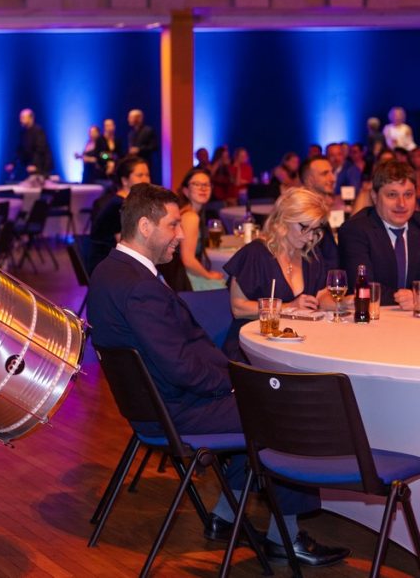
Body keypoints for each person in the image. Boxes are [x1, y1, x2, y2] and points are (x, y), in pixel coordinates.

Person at [87, 183, 349, 568]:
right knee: (286, 414)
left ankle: (225, 514)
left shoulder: (109, 271)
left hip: (152, 405)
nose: (181, 234)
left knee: (263, 404)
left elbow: (176, 359)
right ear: (145, 227)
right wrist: (234, 385)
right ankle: (286, 538)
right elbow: (180, 367)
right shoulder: (139, 286)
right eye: (173, 225)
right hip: (176, 409)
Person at [223, 188, 336, 355]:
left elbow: (321, 296)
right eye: (305, 228)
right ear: (284, 219)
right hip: (254, 347)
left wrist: (344, 303)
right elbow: (238, 308)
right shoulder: (255, 253)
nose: (310, 237)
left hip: (297, 345)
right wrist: (288, 307)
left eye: (315, 230)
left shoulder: (311, 255)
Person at [338, 160, 420, 307]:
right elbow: (364, 288)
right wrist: (412, 297)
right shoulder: (355, 230)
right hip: (375, 317)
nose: (401, 204)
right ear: (374, 197)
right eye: (392, 195)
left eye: (408, 195)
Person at [88, 155, 150, 272]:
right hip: (106, 267)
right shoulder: (119, 205)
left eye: (147, 175)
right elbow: (125, 247)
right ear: (124, 180)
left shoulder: (128, 203)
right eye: (140, 175)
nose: (145, 180)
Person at [177, 167, 225, 290]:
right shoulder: (190, 217)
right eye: (196, 184)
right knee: (222, 286)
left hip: (182, 275)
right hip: (183, 280)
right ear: (186, 191)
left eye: (206, 184)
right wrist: (208, 275)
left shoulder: (186, 212)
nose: (203, 188)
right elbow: (187, 260)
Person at [299, 156, 340, 271]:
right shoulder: (303, 213)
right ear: (309, 180)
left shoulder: (321, 207)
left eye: (332, 172)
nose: (333, 178)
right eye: (325, 174)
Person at [5, 108, 51, 179]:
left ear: (30, 118)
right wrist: (12, 164)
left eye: (23, 118)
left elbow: (40, 150)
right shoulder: (23, 133)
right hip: (29, 167)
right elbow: (19, 150)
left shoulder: (38, 131)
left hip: (41, 167)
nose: (20, 120)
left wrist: (35, 164)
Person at [125, 108, 158, 178]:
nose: (128, 119)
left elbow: (154, 146)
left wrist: (139, 150)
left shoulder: (148, 130)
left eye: (131, 117)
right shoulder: (131, 133)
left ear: (138, 118)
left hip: (145, 163)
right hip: (133, 164)